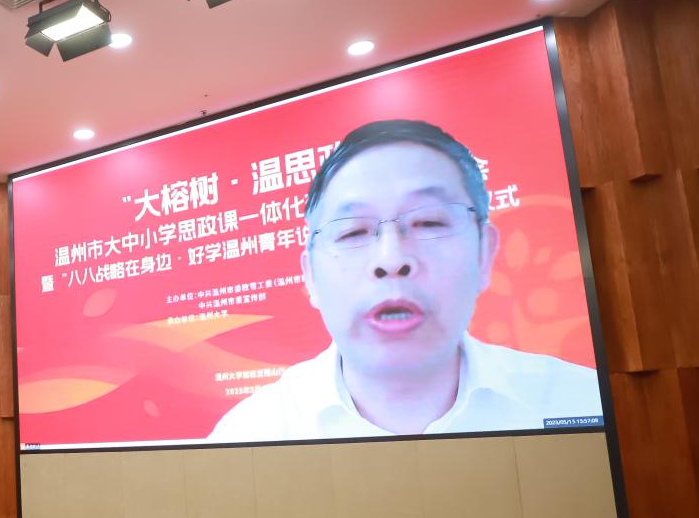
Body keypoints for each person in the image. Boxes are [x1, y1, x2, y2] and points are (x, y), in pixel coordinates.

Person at [209, 119, 603, 442]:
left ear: (484, 251)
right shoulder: (250, 434)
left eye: (429, 222)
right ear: (310, 275)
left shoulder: (578, 401)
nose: (391, 260)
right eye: (352, 231)